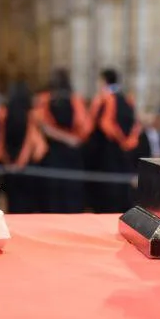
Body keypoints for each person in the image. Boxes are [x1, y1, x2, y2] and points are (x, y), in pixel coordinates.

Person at [35, 69, 90, 213]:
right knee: (72, 193)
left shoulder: (44, 100)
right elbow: (84, 126)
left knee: (53, 195)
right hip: (72, 154)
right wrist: (71, 139)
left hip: (53, 153)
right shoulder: (76, 100)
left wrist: (64, 138)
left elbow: (43, 127)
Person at [87, 69, 141, 213]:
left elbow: (96, 124)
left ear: (104, 80)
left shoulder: (103, 99)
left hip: (106, 151)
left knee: (106, 191)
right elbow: (135, 124)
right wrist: (126, 142)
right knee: (121, 189)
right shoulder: (128, 99)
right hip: (126, 152)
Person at [0, 80, 47, 213]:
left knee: (13, 201)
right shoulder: (32, 114)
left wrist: (8, 161)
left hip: (10, 164)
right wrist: (21, 162)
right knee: (28, 202)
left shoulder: (3, 112)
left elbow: (1, 139)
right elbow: (30, 142)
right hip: (28, 165)